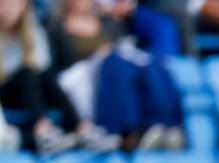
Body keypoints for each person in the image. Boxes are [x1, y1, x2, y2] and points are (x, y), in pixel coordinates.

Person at [48, 0, 185, 151]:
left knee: (151, 63)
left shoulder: (108, 23)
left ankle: (163, 127)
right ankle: (125, 134)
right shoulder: (54, 27)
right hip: (80, 75)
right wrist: (100, 55)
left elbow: (124, 44)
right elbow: (55, 65)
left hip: (114, 68)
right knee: (115, 62)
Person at [0, 0, 118, 152]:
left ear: (23, 8)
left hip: (28, 89)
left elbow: (42, 64)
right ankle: (42, 131)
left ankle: (81, 128)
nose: (8, 10)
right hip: (5, 91)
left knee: (43, 74)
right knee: (27, 73)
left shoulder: (32, 30)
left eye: (13, 5)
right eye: (3, 5)